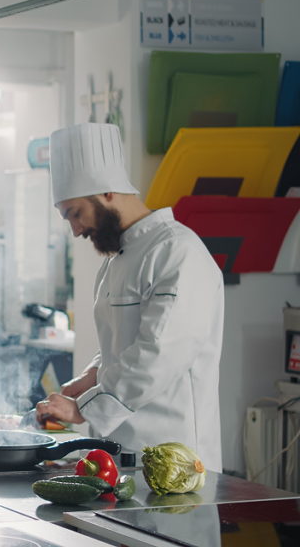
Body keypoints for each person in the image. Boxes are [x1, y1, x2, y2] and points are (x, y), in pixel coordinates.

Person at [34, 123, 223, 472]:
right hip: (119, 457)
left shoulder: (177, 252)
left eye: (75, 213)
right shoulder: (117, 258)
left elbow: (158, 354)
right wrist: (91, 376)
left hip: (175, 462)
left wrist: (82, 409)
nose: (75, 230)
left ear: (106, 192)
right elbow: (125, 340)